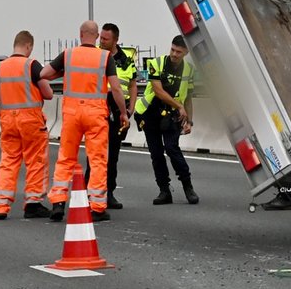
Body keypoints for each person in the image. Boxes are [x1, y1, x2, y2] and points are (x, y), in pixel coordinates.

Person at [40, 21, 128, 222]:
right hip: (96, 113)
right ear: (97, 36)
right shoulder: (105, 57)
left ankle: (58, 202)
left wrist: (64, 72)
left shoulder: (68, 55)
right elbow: (115, 88)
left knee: (66, 158)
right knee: (97, 159)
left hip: (72, 113)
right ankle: (96, 206)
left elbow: (44, 74)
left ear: (80, 34)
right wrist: (123, 112)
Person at [0, 30, 57, 220]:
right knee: (36, 160)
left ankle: (1, 206)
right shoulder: (32, 65)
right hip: (30, 120)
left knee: (8, 161)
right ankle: (33, 203)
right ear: (28, 46)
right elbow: (48, 93)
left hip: (7, 121)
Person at [134, 35, 200, 205]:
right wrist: (179, 106)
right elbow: (158, 91)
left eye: (179, 52)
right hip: (150, 113)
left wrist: (189, 121)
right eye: (172, 49)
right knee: (156, 154)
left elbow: (188, 97)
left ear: (186, 53)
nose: (174, 54)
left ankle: (188, 187)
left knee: (172, 148)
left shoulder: (189, 70)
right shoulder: (156, 64)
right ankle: (164, 190)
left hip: (172, 115)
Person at [84, 22, 137, 210]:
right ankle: (87, 192)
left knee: (113, 154)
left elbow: (132, 85)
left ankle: (110, 192)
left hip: (117, 108)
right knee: (95, 153)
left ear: (116, 40)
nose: (102, 41)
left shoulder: (126, 60)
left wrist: (129, 110)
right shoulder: (97, 56)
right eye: (101, 37)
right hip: (98, 105)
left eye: (106, 39)